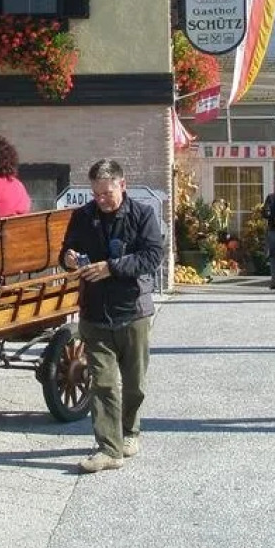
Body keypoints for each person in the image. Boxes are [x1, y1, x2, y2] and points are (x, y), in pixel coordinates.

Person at [60, 158, 165, 473]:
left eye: (107, 193)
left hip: (133, 312)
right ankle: (109, 449)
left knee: (134, 384)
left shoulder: (142, 215)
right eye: (96, 194)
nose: (101, 200)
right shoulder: (83, 217)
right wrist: (68, 259)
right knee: (103, 384)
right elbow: (67, 252)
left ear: (123, 185)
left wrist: (112, 267)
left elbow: (152, 256)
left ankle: (130, 431)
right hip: (94, 313)